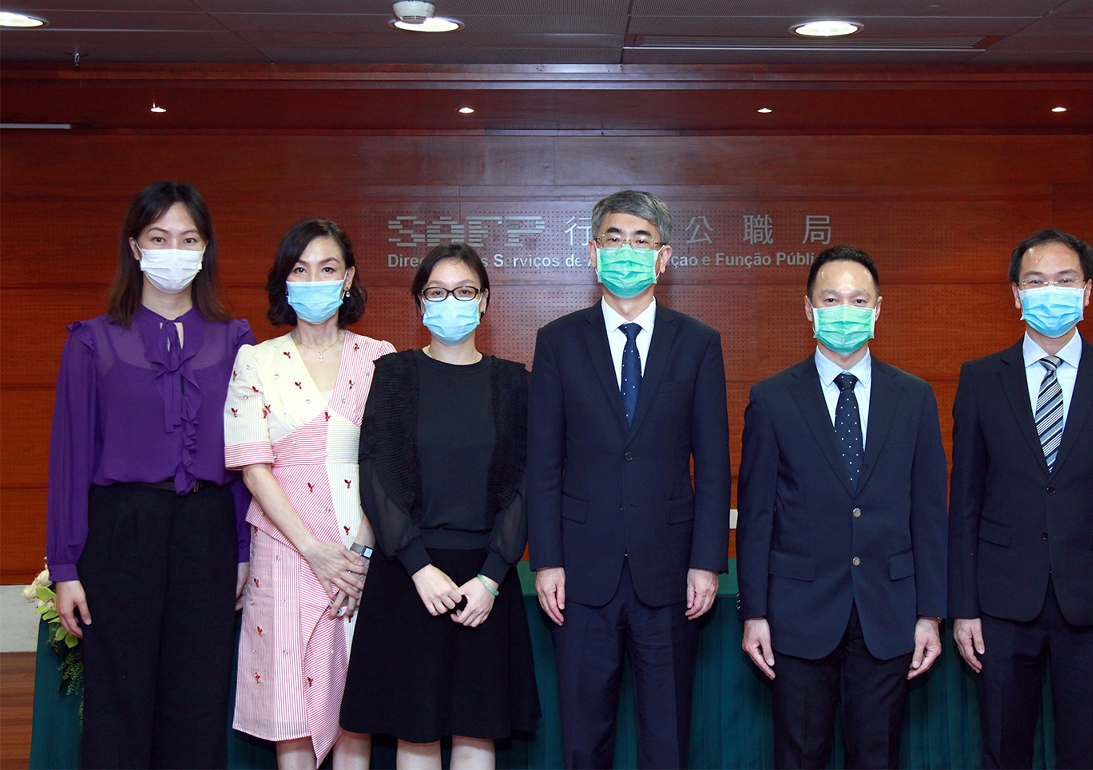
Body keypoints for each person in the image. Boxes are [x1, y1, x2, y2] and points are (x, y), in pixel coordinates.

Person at [46, 181, 255, 768]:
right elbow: (69, 460)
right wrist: (64, 567)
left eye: (188, 239)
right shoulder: (92, 341)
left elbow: (247, 457)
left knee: (199, 699)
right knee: (120, 701)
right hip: (122, 532)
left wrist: (244, 550)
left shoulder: (236, 341)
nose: (174, 251)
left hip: (207, 533)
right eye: (159, 238)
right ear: (135, 247)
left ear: (206, 249)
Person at [526, 190, 731, 769]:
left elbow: (713, 464)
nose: (627, 251)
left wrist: (706, 561)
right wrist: (547, 561)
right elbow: (543, 463)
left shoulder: (698, 343)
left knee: (666, 739)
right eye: (614, 239)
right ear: (593, 252)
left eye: (642, 240)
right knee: (583, 739)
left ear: (663, 257)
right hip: (580, 572)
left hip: (669, 572)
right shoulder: (558, 341)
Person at [948, 229, 1093, 769]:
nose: (1051, 293)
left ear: (1087, 292)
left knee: (1085, 752)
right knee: (1003, 749)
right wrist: (963, 607)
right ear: (1016, 294)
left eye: (1065, 281)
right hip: (1001, 602)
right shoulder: (979, 379)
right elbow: (964, 502)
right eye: (1036, 282)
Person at [736, 245, 948, 769]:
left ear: (878, 309)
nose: (845, 312)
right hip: (798, 612)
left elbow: (929, 514)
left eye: (858, 300)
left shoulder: (915, 397)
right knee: (799, 755)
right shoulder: (772, 398)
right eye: (831, 300)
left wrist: (930, 614)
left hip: (889, 611)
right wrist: (755, 612)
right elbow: (757, 515)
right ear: (809, 309)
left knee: (877, 756)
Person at [340, 242, 540, 769]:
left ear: (485, 300)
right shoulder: (394, 375)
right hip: (409, 575)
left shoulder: (514, 383)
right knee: (417, 731)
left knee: (477, 730)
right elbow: (376, 474)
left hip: (484, 581)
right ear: (419, 302)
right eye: (437, 292)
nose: (451, 302)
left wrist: (491, 577)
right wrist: (417, 566)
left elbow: (525, 484)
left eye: (464, 291)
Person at [225, 219, 393, 769]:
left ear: (349, 278)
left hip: (363, 549)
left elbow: (390, 463)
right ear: (284, 281)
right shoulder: (256, 360)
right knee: (291, 711)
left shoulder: (382, 357)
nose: (315, 281)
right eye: (301, 270)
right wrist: (314, 551)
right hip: (286, 547)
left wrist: (360, 552)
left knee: (356, 709)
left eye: (328, 268)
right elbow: (253, 468)